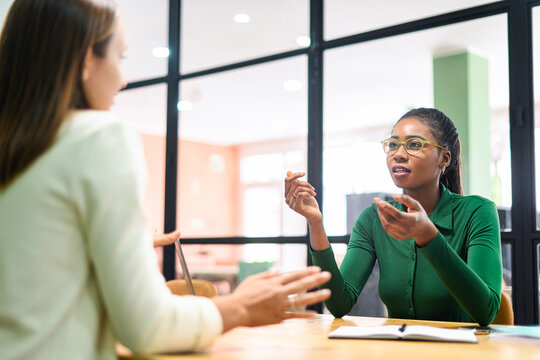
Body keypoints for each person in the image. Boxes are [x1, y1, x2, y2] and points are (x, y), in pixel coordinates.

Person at [0, 0, 331, 359]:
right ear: (84, 61)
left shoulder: (16, 149)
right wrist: (242, 307)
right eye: (120, 57)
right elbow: (146, 326)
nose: (122, 79)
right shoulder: (98, 136)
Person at [285, 107, 502, 327]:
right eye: (392, 144)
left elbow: (486, 311)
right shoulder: (373, 218)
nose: (398, 154)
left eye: (414, 145)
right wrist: (315, 222)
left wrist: (429, 237)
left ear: (443, 159)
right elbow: (340, 304)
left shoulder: (478, 212)